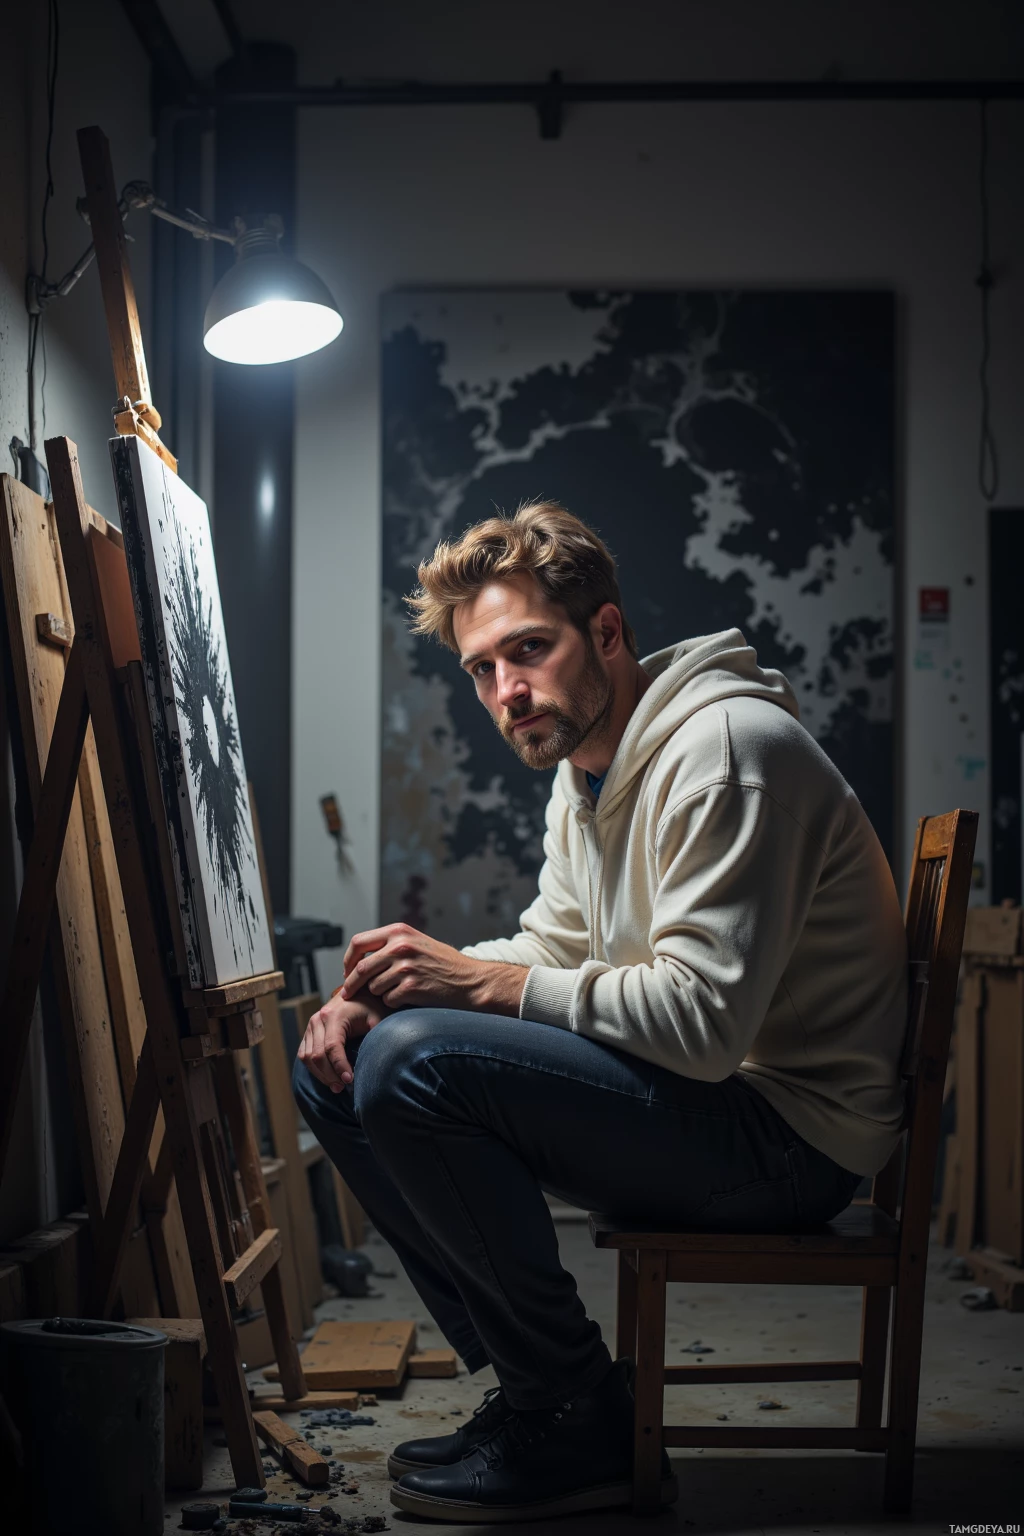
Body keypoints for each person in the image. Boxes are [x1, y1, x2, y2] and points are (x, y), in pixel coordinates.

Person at [293, 502, 907, 1523]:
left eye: (528, 650)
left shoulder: (727, 753)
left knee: (412, 1064)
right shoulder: (588, 774)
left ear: (607, 632)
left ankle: (573, 1414)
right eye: (482, 669)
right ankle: (546, 1392)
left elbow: (702, 1024)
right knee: (345, 1061)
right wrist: (396, 982)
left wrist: (472, 987)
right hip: (714, 1100)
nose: (506, 691)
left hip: (790, 1140)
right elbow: (554, 948)